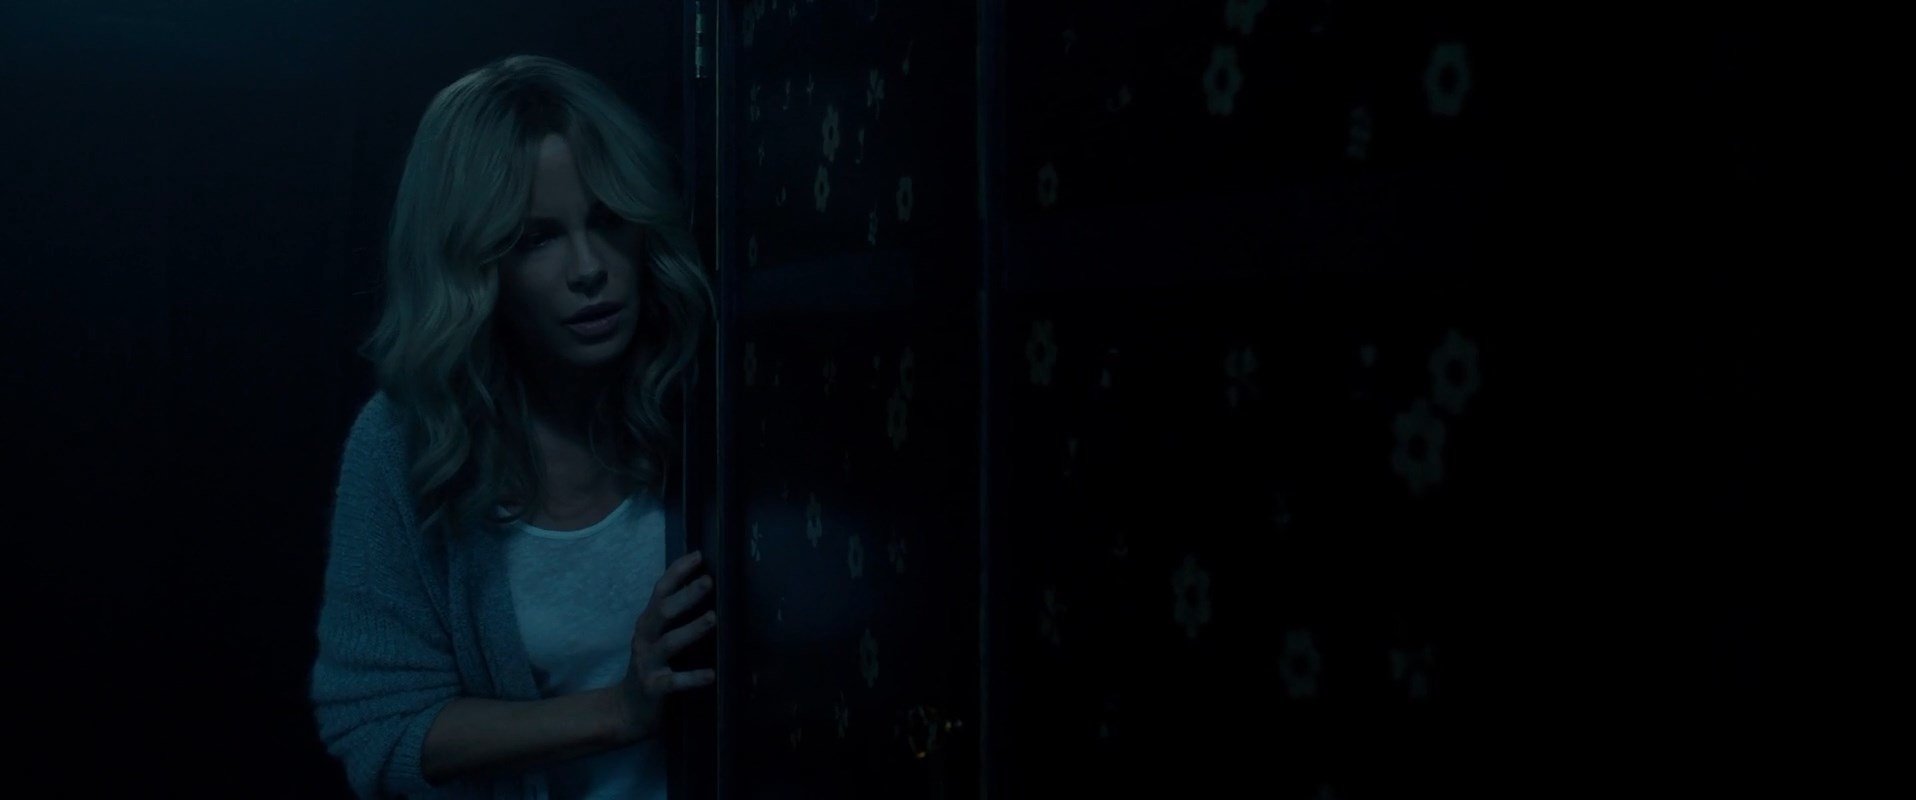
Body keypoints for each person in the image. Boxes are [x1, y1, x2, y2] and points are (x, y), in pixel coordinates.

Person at [309, 54, 718, 800]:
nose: (589, 268)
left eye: (607, 220)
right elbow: (380, 726)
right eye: (537, 239)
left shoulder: (711, 397)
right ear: (473, 266)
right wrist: (618, 710)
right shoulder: (406, 443)